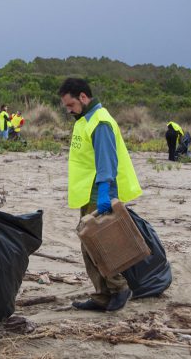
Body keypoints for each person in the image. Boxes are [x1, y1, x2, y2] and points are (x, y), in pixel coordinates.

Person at [58, 78, 142, 312]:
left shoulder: (100, 122)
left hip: (99, 192)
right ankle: (102, 295)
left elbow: (106, 160)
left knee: (100, 244)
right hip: (88, 191)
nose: (68, 110)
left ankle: (119, 289)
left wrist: (105, 192)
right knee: (89, 244)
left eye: (71, 104)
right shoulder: (85, 120)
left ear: (83, 97)